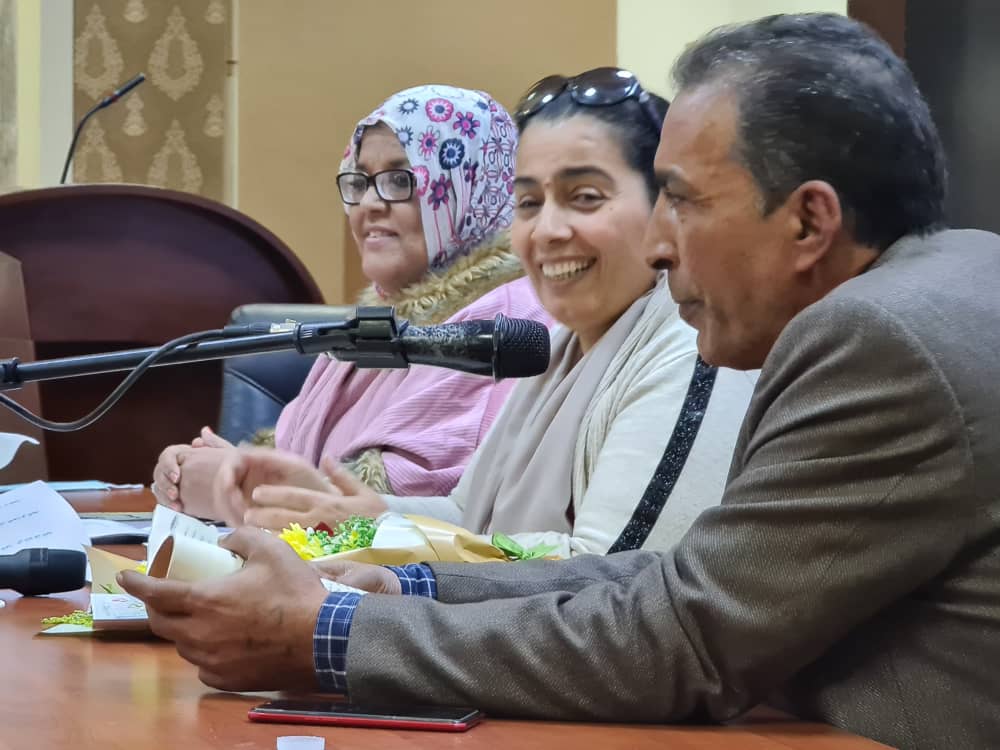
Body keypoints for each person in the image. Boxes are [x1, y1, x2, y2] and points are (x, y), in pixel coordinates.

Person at [120, 14, 1000, 750]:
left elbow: (683, 639)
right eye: (527, 200)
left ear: (809, 221)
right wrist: (407, 585)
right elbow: (682, 580)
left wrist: (326, 633)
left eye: (683, 200)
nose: (661, 243)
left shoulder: (871, 340)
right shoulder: (934, 285)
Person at [209, 68, 757, 558]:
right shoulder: (555, 347)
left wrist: (386, 580)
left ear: (666, 207)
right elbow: (466, 516)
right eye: (529, 203)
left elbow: (606, 578)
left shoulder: (688, 351)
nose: (547, 231)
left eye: (585, 197)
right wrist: (348, 516)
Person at [150, 85, 549, 516]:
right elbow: (297, 464)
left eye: (400, 179)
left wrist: (244, 486)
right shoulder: (372, 325)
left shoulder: (508, 320)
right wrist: (217, 468)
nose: (369, 204)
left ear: (471, 187)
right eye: (360, 181)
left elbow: (420, 510)